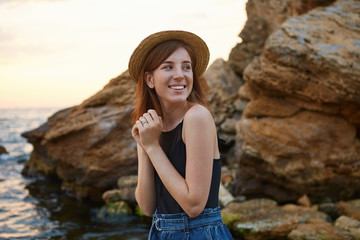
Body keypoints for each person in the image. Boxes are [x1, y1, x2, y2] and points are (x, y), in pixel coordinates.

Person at [129, 30, 233, 239]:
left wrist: (152, 147)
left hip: (199, 233)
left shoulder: (197, 117)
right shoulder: (152, 125)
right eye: (168, 67)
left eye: (186, 67)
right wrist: (144, 145)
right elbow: (147, 206)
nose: (180, 74)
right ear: (149, 79)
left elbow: (193, 205)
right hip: (160, 232)